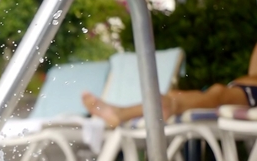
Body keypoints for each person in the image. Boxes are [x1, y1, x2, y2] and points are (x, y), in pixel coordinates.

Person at [82, 43, 257, 127]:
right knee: (175, 95)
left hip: (249, 94)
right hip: (244, 89)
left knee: (216, 93)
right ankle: (121, 112)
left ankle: (121, 113)